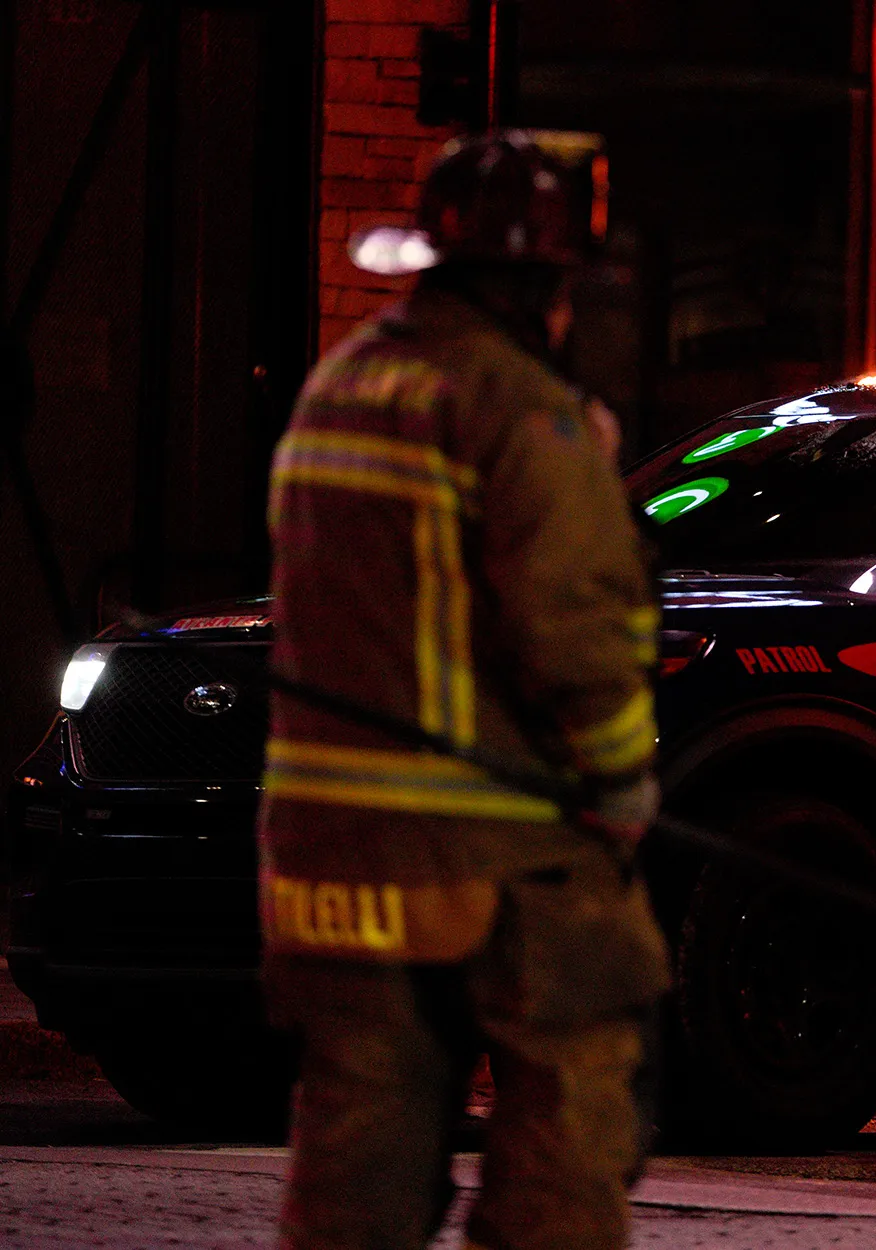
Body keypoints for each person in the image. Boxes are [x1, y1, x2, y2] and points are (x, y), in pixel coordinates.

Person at [260, 130, 667, 1250]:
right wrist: (622, 780)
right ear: (543, 283)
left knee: (357, 1153)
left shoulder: (338, 385)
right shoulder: (516, 408)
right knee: (572, 1116)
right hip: (488, 850)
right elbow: (576, 623)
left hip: (326, 861)